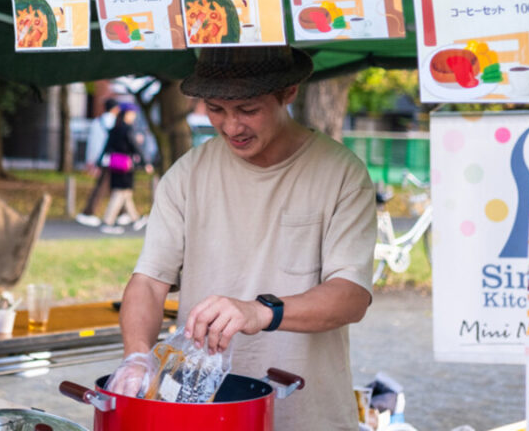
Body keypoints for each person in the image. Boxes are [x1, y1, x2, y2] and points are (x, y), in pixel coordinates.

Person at [116, 46, 376, 431]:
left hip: (307, 413)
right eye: (216, 109)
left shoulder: (341, 173)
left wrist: (259, 311)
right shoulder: (188, 174)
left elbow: (351, 296)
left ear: (288, 91)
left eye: (248, 110)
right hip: (204, 412)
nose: (231, 126)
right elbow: (149, 282)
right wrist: (137, 356)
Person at [97, 103, 152, 235]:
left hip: (114, 164)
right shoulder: (127, 129)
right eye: (133, 114)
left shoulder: (115, 128)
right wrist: (145, 163)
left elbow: (107, 146)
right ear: (127, 114)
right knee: (120, 193)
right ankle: (107, 222)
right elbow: (135, 147)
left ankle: (136, 219)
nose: (134, 116)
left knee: (126, 193)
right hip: (125, 164)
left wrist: (99, 161)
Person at [75, 97, 119, 227]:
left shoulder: (96, 122)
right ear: (115, 109)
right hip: (113, 159)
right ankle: (89, 212)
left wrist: (91, 160)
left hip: (101, 158)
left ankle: (122, 213)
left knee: (113, 186)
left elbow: (92, 143)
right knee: (107, 186)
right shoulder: (116, 122)